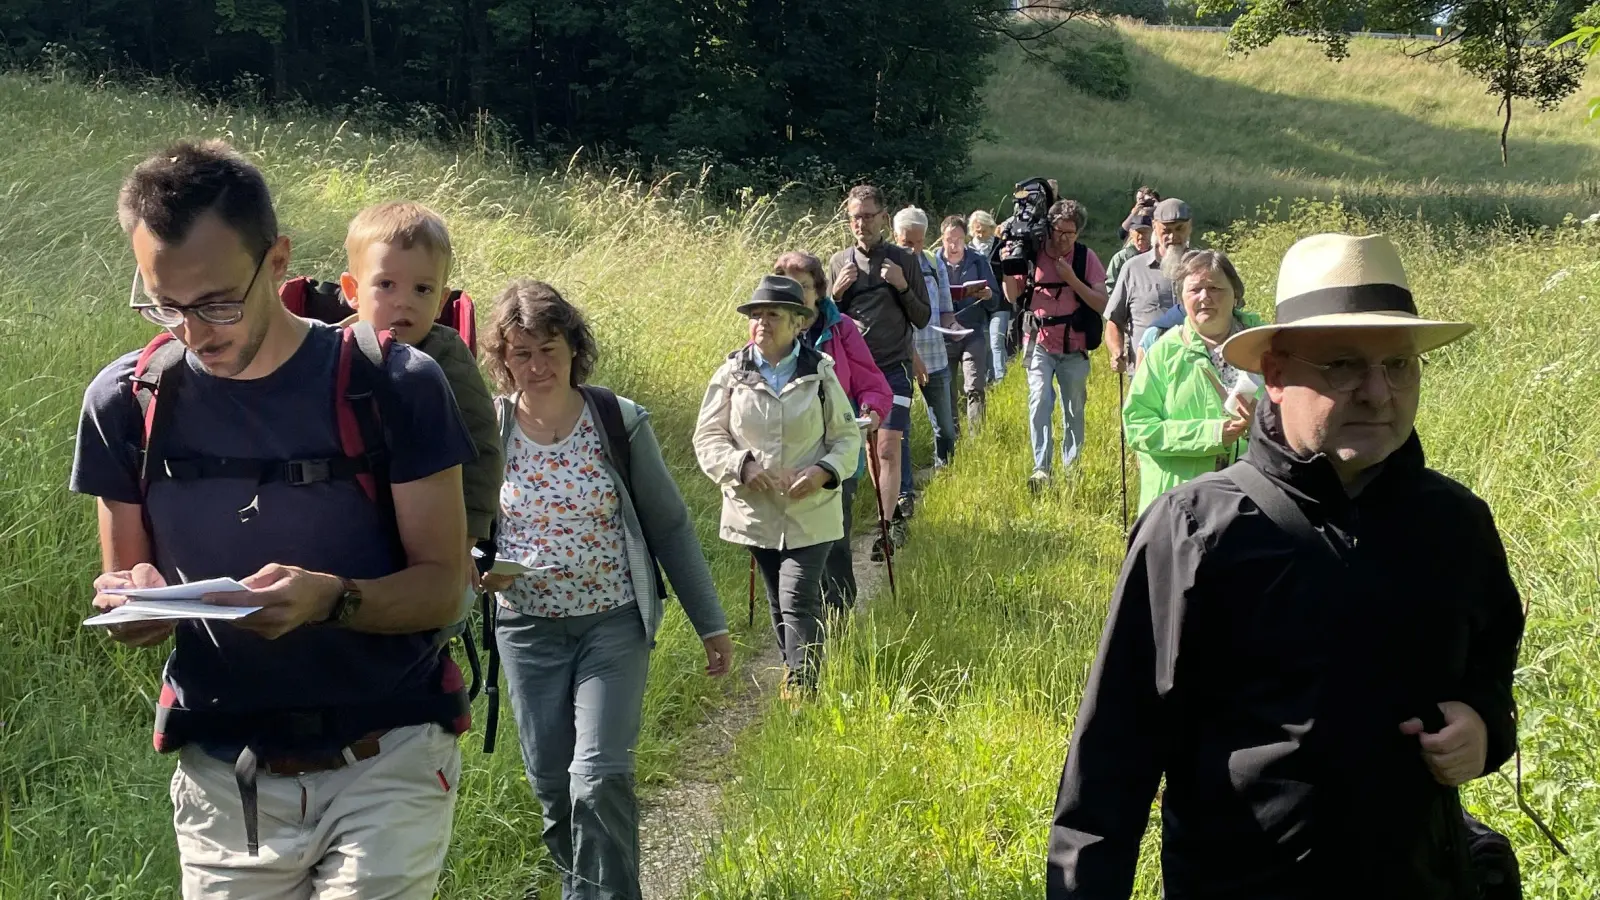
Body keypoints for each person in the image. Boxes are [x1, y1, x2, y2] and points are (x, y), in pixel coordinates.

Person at [1047, 232, 1525, 900]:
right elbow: (1112, 756)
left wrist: (1483, 726)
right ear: (1274, 374)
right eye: (1342, 367)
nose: (1378, 393)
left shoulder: (1456, 525)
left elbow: (1492, 665)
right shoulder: (1193, 531)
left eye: (1399, 365)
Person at [74, 139, 477, 898]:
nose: (196, 329)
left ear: (279, 259)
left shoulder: (394, 385)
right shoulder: (127, 402)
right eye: (167, 305)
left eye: (219, 300)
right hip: (225, 779)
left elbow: (441, 589)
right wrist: (133, 604)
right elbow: (130, 587)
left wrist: (331, 599)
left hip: (385, 758)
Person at [480, 279, 733, 900]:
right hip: (525, 630)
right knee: (553, 788)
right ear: (502, 358)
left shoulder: (615, 420)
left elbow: (669, 524)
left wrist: (711, 623)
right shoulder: (488, 430)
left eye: (549, 349)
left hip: (611, 626)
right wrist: (475, 567)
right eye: (521, 353)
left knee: (597, 777)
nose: (536, 366)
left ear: (573, 348)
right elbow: (461, 527)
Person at [694, 275, 861, 695]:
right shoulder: (732, 372)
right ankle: (794, 673)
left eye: (773, 315)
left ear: (798, 324)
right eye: (756, 315)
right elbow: (708, 436)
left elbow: (847, 438)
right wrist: (741, 466)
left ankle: (803, 688)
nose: (761, 323)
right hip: (756, 510)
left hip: (813, 510)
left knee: (798, 597)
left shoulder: (821, 372)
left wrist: (823, 471)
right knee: (778, 598)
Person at [337, 201, 503, 587]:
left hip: (429, 529)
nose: (404, 301)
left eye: (422, 289)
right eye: (386, 285)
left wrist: (465, 542)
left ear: (442, 301)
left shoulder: (446, 358)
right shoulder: (329, 350)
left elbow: (483, 450)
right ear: (352, 290)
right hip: (348, 521)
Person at [775, 251, 893, 615]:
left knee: (834, 537)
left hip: (835, 452)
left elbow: (872, 383)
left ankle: (837, 613)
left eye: (804, 286)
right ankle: (803, 614)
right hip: (786, 455)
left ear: (819, 291)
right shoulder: (768, 330)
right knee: (790, 538)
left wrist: (871, 412)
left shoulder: (840, 328)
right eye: (789, 286)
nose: (797, 293)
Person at [827, 185, 932, 559]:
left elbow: (922, 316)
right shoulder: (839, 262)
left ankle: (886, 528)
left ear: (883, 218)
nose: (861, 224)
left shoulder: (904, 259)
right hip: (853, 373)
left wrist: (902, 287)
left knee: (888, 446)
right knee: (870, 450)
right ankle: (883, 515)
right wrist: (835, 295)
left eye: (868, 216)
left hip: (893, 367)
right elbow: (823, 322)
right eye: (855, 216)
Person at [1122, 250, 1265, 514]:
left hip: (1255, 501)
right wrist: (1211, 434)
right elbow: (1138, 427)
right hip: (1181, 509)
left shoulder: (1266, 347)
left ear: (1236, 294)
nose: (1204, 297)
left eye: (1214, 288)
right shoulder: (1164, 353)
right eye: (1195, 289)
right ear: (1182, 298)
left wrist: (1262, 422)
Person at [1002, 199, 1107, 492]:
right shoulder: (1033, 252)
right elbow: (1013, 295)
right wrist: (1008, 267)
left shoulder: (1085, 257)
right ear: (1050, 227)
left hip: (1075, 345)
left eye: (1070, 233)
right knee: (1040, 400)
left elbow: (1102, 302)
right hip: (1038, 342)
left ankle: (1072, 467)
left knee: (1073, 407)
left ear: (1078, 233)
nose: (1063, 238)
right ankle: (1042, 470)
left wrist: (1072, 279)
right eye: (1059, 231)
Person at [895, 206, 959, 474]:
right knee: (900, 429)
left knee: (945, 426)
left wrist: (954, 326)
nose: (914, 249)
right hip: (899, 359)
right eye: (907, 242)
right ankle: (904, 486)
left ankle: (946, 475)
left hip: (935, 355)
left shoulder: (934, 263)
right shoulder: (888, 266)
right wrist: (912, 356)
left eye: (919, 241)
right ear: (894, 236)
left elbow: (945, 310)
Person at [1104, 197, 1192, 373]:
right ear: (1154, 227)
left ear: (1190, 226)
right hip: (1145, 373)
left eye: (1179, 229)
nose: (1173, 237)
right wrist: (1116, 351)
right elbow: (1114, 321)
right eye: (1166, 230)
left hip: (1192, 373)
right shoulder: (1133, 269)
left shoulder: (1203, 267)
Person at [935, 215, 1001, 434]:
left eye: (959, 240)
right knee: (948, 389)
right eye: (948, 240)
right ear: (941, 239)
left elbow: (995, 301)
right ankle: (952, 436)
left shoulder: (978, 260)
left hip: (973, 331)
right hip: (943, 334)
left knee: (974, 386)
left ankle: (976, 437)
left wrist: (988, 294)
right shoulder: (933, 262)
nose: (953, 245)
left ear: (966, 238)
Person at [1104, 211, 1152, 297]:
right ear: (1131, 232)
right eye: (1138, 232)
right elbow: (1110, 287)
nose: (1141, 236)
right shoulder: (1120, 258)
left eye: (1145, 231)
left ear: (1152, 233)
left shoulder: (1157, 256)